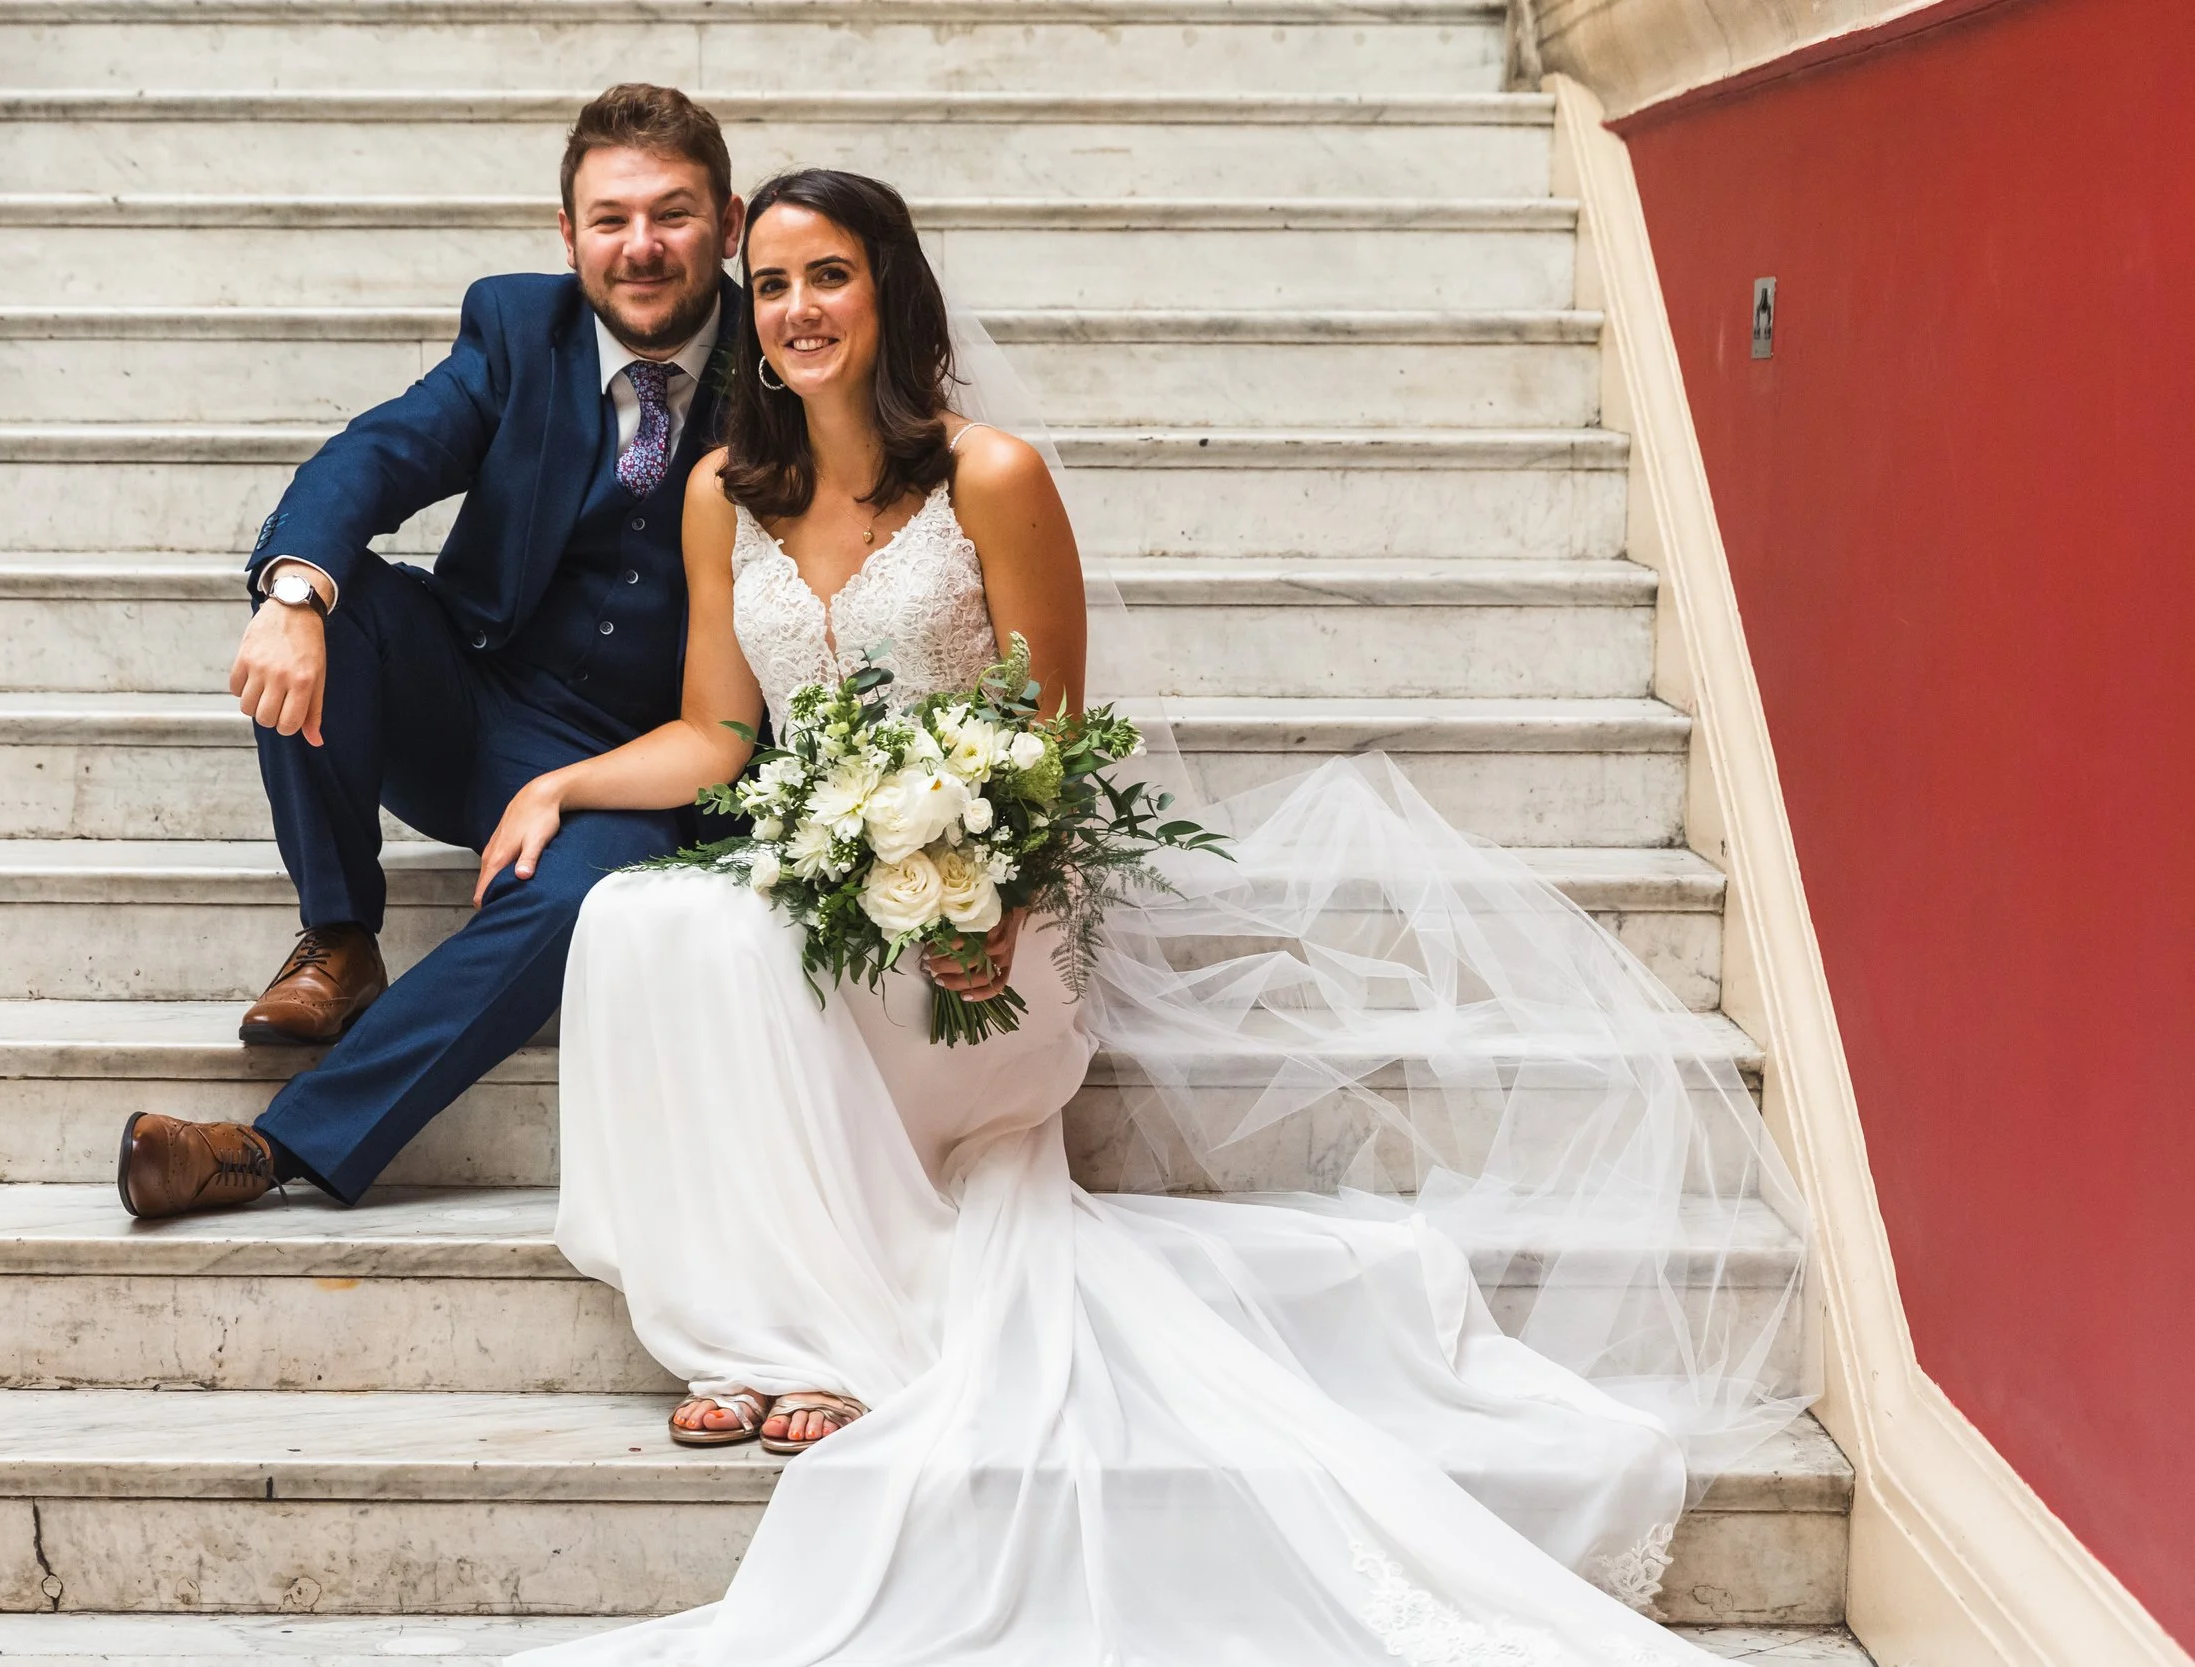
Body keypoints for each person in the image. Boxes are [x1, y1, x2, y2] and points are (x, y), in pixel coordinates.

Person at [493, 167, 1784, 1666]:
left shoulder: (992, 475)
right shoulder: (728, 493)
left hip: (997, 925)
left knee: (729, 937)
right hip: (837, 892)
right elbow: (720, 728)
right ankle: (770, 1333)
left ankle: (826, 1334)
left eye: (827, 276)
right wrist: (569, 789)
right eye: (772, 285)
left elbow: (1049, 738)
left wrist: (983, 895)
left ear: (891, 290)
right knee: (653, 920)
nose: (796, 311)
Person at [114, 84, 749, 1218]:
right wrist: (294, 591)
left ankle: (272, 1147)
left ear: (730, 221)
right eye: (610, 218)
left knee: (581, 901)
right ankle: (341, 936)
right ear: (568, 236)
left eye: (673, 214)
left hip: (643, 763)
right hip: (473, 702)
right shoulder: (518, 328)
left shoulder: (785, 357)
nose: (640, 247)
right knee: (339, 594)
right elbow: (376, 454)